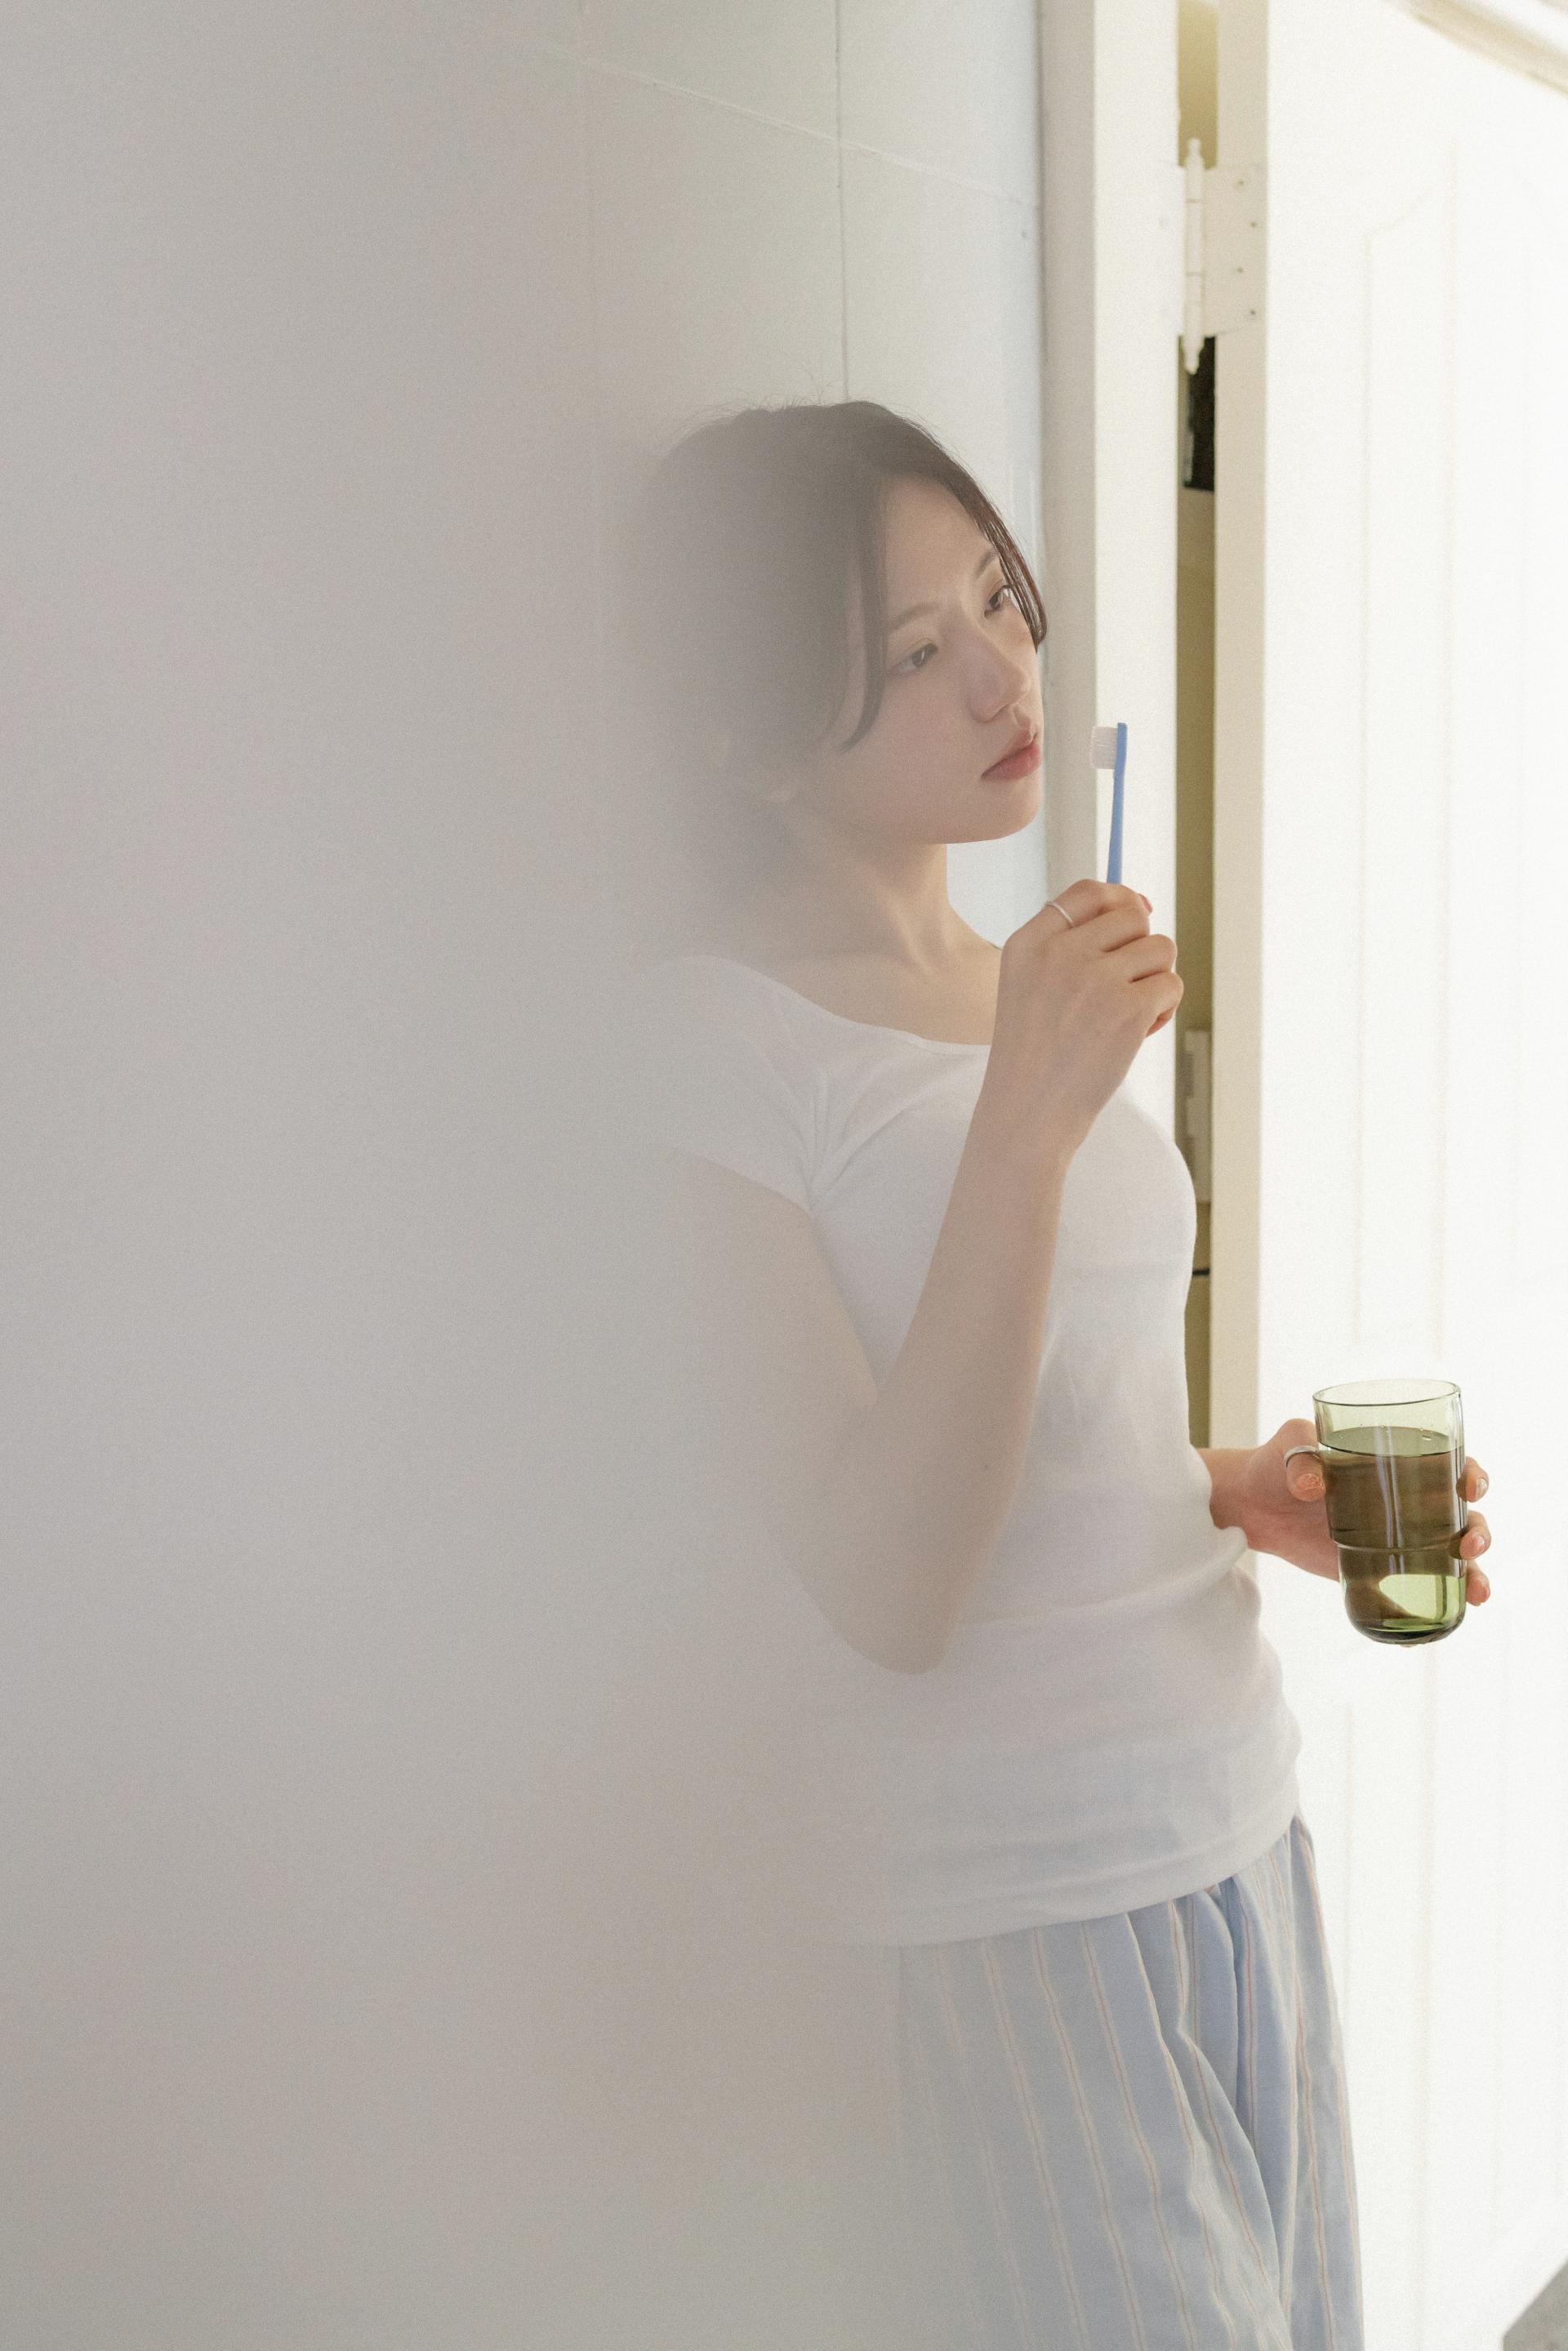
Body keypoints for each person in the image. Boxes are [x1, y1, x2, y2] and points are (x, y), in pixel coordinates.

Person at [612, 399, 1494, 2349]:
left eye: (999, 602)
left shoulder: (1017, 971)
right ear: (747, 734)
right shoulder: (701, 1055)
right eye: (916, 650)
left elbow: (1039, 1411)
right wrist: (1026, 1114)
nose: (1005, 677)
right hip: (999, 1916)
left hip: (1233, 1826)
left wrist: (1220, 1486)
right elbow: (885, 1581)